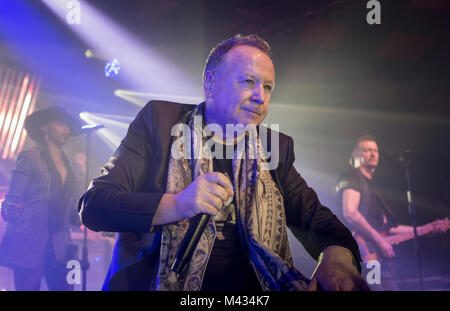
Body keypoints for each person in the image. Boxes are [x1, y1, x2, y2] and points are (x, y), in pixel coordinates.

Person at [79, 34, 368, 291]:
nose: (260, 97)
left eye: (268, 87)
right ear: (210, 83)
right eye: (248, 82)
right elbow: (94, 205)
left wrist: (336, 257)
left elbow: (318, 220)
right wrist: (178, 204)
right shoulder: (160, 121)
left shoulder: (274, 147)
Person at [336, 135, 442, 290]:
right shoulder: (352, 176)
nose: (373, 154)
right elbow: (350, 213)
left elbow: (388, 228)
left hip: (378, 258)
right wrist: (379, 241)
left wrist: (427, 228)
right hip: (364, 255)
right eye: (367, 150)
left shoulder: (371, 187)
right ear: (356, 154)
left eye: (376, 150)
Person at [0, 106, 84, 291]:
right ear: (45, 128)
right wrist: (11, 209)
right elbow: (12, 198)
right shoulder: (30, 157)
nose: (66, 129)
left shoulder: (74, 168)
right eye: (60, 124)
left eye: (68, 126)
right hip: (28, 238)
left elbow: (76, 212)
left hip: (60, 242)